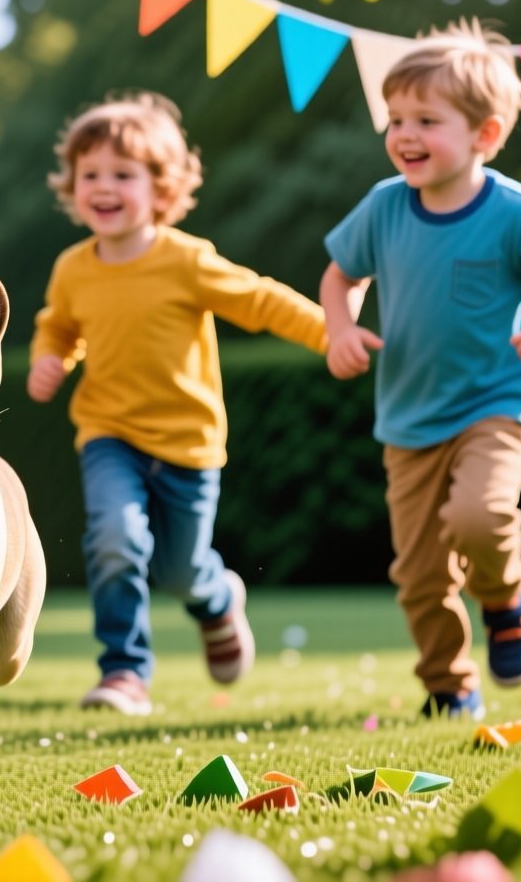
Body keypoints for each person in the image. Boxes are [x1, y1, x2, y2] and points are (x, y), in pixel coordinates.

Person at [320, 19, 521, 719]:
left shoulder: (513, 211)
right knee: (418, 575)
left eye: (425, 119)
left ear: (484, 134)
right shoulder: (385, 206)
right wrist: (341, 327)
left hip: (497, 402)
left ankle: (506, 600)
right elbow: (339, 276)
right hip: (409, 418)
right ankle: (449, 685)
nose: (404, 134)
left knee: (479, 516)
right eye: (395, 119)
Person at [28, 91, 328, 716]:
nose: (103, 188)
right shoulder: (72, 268)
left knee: (180, 570)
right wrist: (50, 358)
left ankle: (217, 599)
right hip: (109, 434)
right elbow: (59, 325)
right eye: (90, 176)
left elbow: (261, 300)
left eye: (122, 175)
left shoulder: (185, 260)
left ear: (161, 189)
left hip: (189, 443)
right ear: (72, 186)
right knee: (115, 539)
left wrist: (332, 334)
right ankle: (124, 673)